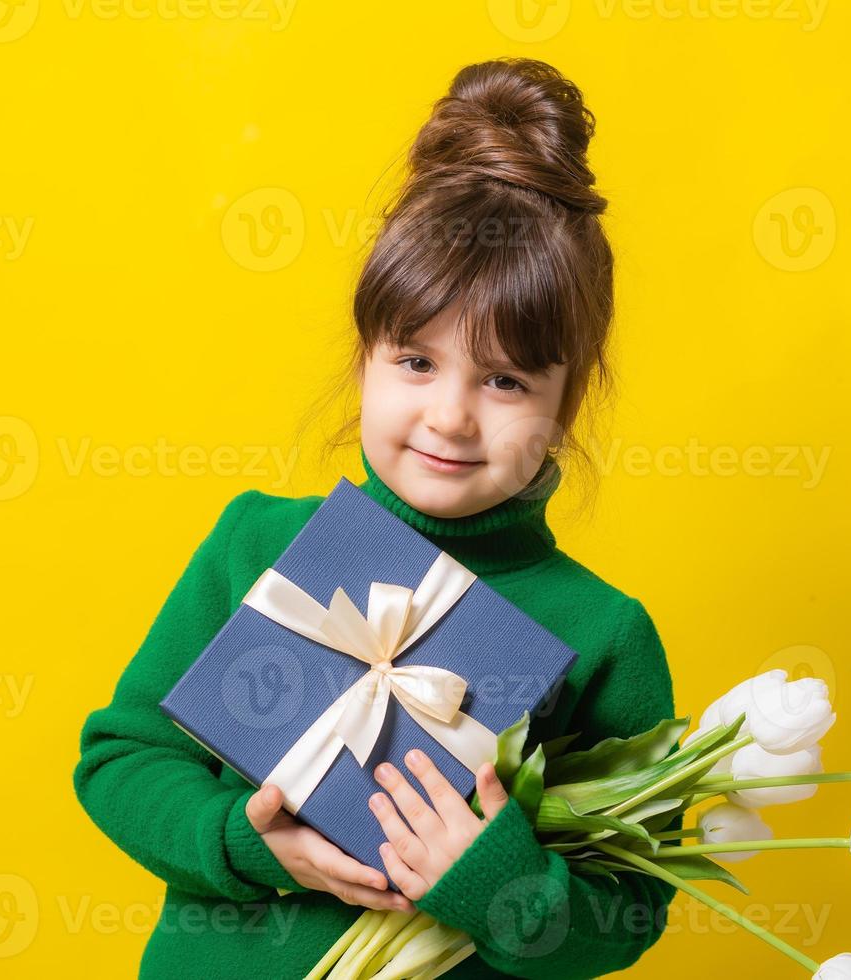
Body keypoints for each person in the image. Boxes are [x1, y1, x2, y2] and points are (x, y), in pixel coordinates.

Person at [74, 56, 678, 978]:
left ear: (568, 399)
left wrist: (494, 881)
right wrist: (243, 844)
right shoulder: (257, 546)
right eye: (416, 363)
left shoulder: (603, 635)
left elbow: (631, 912)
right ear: (364, 357)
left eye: (507, 379)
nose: (450, 416)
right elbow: (121, 760)